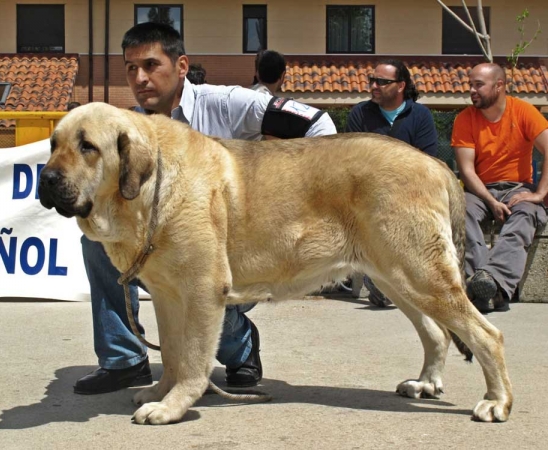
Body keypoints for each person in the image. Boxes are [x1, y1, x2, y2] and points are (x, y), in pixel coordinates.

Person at [74, 21, 337, 395]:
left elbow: (317, 124)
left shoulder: (230, 102)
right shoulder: (128, 130)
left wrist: (291, 188)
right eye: (131, 68)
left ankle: (242, 347)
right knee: (97, 242)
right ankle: (124, 360)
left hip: (241, 251)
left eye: (151, 65)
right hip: (169, 250)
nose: (140, 78)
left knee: (201, 280)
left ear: (181, 66)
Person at [451, 62, 548, 313]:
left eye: (478, 85)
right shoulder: (465, 119)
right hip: (479, 189)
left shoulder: (524, 112)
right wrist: (491, 200)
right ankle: (482, 283)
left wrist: (539, 193)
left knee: (526, 215)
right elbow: (467, 171)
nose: (472, 90)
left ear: (500, 85)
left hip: (518, 187)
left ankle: (493, 283)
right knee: (460, 211)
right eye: (470, 84)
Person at [345, 59, 439, 308]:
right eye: (372, 81)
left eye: (381, 82)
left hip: (411, 193)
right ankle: (381, 280)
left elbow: (428, 162)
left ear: (400, 86)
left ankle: (387, 282)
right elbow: (354, 163)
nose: (374, 86)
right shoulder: (359, 114)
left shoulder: (420, 116)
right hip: (368, 195)